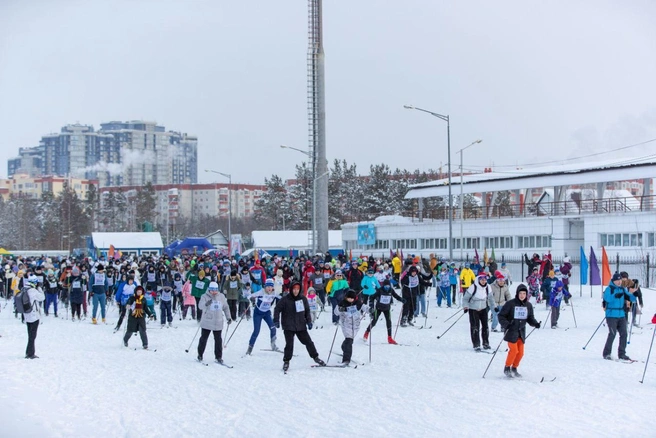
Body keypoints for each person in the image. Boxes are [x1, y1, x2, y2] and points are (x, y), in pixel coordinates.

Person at [274, 279, 326, 371]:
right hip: (288, 325)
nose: (296, 291)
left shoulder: (303, 299)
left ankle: (316, 357)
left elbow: (307, 311)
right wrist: (276, 320)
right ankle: (286, 361)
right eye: (294, 289)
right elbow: (277, 309)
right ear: (291, 289)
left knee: (308, 342)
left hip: (300, 325)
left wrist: (309, 321)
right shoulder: (285, 299)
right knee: (289, 344)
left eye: (297, 289)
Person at [498, 284, 540, 377]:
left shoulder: (528, 305)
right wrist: (506, 324)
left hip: (521, 333)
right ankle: (507, 368)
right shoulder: (510, 304)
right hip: (511, 332)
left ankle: (514, 368)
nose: (522, 295)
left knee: (520, 353)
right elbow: (501, 315)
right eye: (520, 293)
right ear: (517, 294)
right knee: (514, 351)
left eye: (524, 293)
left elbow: (530, 317)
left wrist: (535, 323)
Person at [602, 273, 636, 361]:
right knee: (612, 334)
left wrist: (633, 294)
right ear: (613, 281)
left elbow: (631, 298)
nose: (619, 282)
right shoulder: (609, 289)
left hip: (621, 314)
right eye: (617, 280)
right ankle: (606, 353)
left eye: (620, 280)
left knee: (624, 334)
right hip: (611, 315)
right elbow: (607, 299)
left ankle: (622, 354)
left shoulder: (622, 289)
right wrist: (615, 295)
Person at [197, 281, 231, 364]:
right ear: (209, 289)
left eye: (215, 290)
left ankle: (218, 357)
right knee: (203, 338)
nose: (214, 292)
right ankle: (200, 354)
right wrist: (206, 304)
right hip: (207, 321)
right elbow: (200, 306)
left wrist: (228, 317)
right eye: (212, 290)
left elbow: (226, 307)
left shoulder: (221, 296)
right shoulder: (204, 296)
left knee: (218, 340)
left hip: (218, 321)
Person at [245, 278, 280, 355]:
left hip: (266, 313)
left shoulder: (274, 293)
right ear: (265, 287)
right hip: (258, 313)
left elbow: (281, 298)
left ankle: (273, 345)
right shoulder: (261, 292)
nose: (269, 288)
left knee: (273, 328)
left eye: (271, 286)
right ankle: (250, 348)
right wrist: (252, 299)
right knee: (256, 331)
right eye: (267, 286)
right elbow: (250, 296)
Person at [363, 279, 405, 344]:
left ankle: (390, 338)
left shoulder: (391, 290)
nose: (387, 287)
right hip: (378, 308)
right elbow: (371, 298)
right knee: (374, 321)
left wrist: (402, 300)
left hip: (387, 308)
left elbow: (396, 296)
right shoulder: (379, 290)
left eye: (388, 286)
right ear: (383, 285)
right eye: (386, 286)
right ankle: (367, 332)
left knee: (389, 322)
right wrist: (371, 306)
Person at [462, 273, 495, 351]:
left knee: (485, 326)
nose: (483, 281)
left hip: (483, 309)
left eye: (485, 280)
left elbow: (491, 298)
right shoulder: (473, 287)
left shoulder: (488, 287)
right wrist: (466, 307)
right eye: (482, 280)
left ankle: (486, 343)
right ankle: (476, 344)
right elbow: (465, 298)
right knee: (475, 327)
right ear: (478, 280)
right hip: (473, 309)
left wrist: (494, 307)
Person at [334, 290, 367, 365]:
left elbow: (365, 307)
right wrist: (339, 309)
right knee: (349, 341)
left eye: (352, 298)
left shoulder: (358, 303)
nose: (350, 300)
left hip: (356, 325)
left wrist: (370, 310)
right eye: (349, 298)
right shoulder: (342, 303)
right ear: (346, 297)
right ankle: (346, 360)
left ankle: (344, 347)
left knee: (349, 341)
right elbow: (336, 312)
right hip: (346, 325)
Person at [22, 275, 45, 359]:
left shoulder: (24, 289)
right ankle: (30, 353)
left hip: (27, 315)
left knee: (30, 334)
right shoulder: (33, 291)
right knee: (32, 336)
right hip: (34, 315)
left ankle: (29, 351)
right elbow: (42, 297)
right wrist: (39, 289)